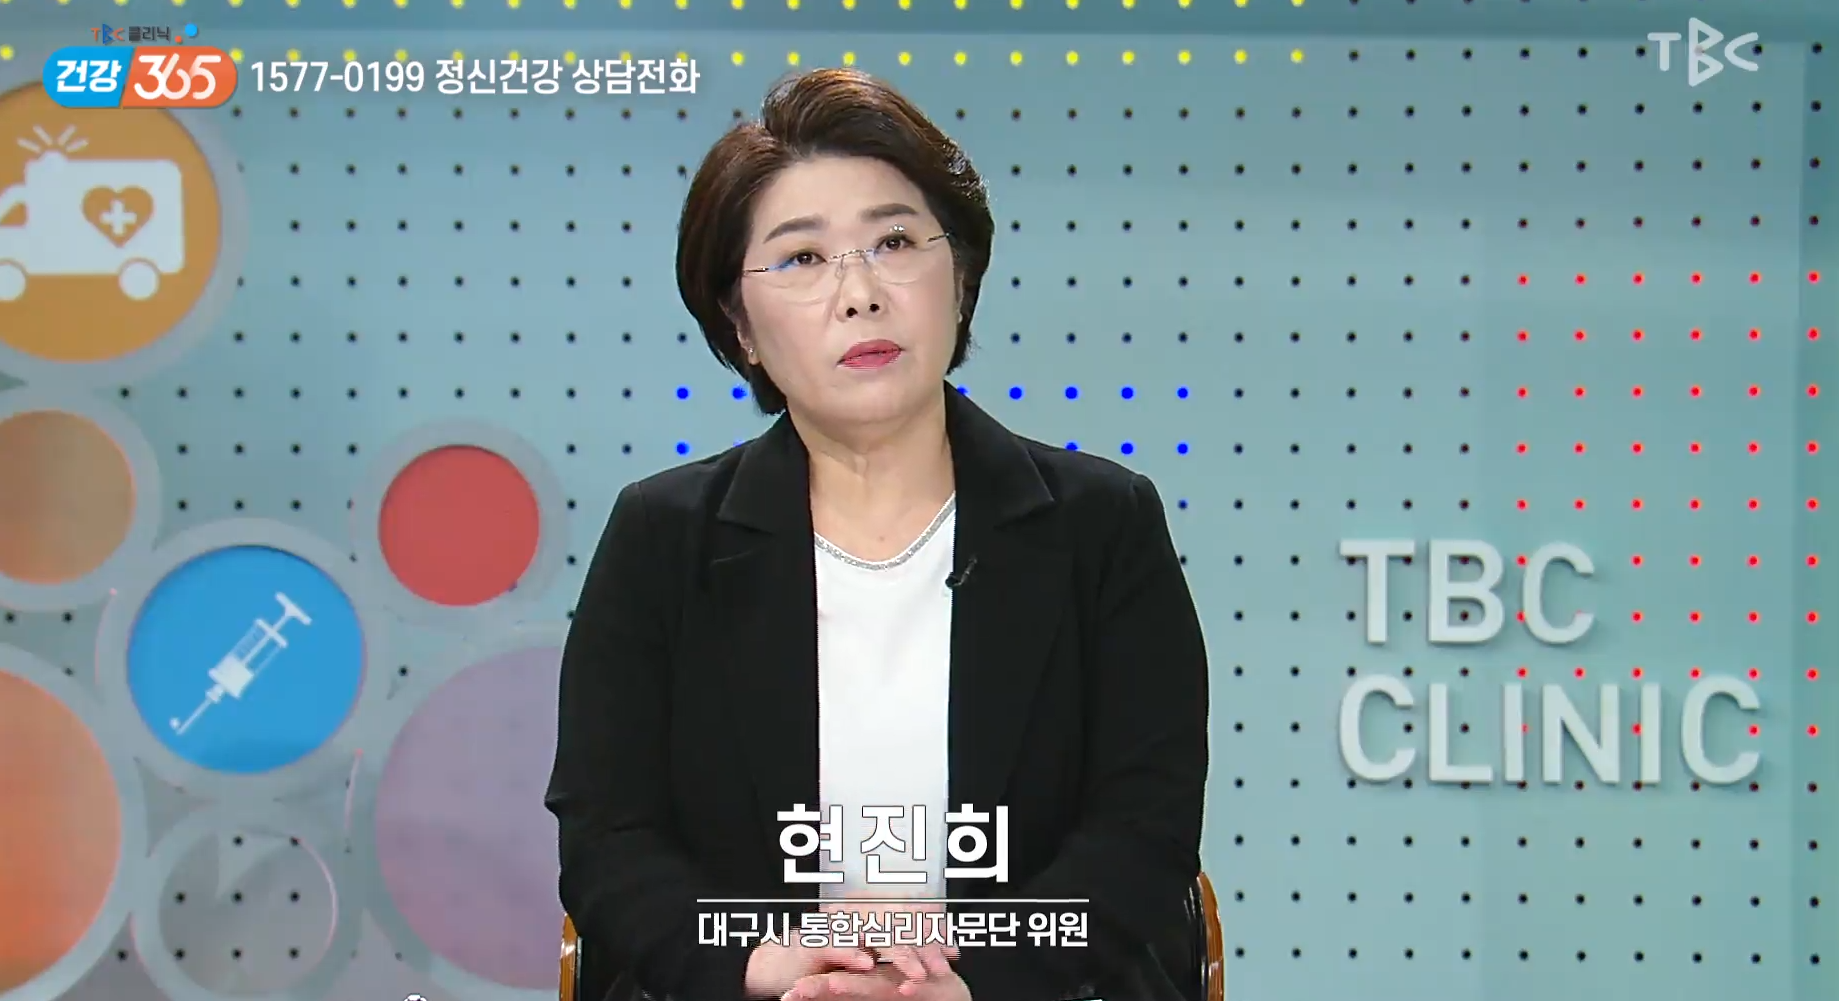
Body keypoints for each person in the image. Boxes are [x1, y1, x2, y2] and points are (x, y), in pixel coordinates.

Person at [544, 67, 1210, 1001]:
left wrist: (974, 980)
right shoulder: (663, 538)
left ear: (960, 277)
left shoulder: (1101, 524)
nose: (858, 292)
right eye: (802, 258)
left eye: (894, 241)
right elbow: (608, 834)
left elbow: (1143, 829)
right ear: (739, 325)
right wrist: (766, 964)